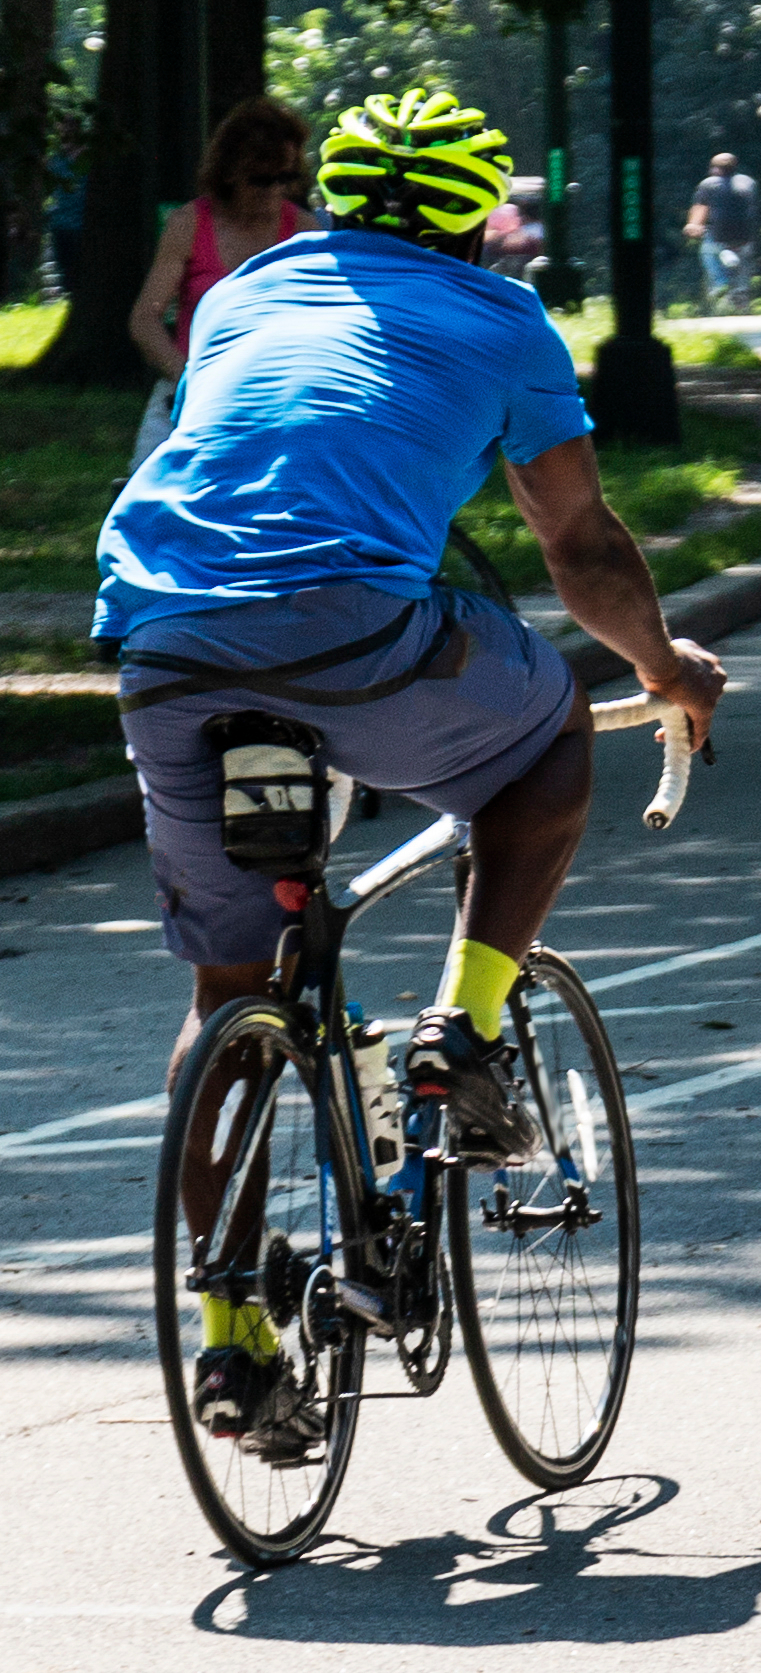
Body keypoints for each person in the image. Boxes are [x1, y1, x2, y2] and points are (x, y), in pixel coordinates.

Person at [98, 88, 725, 1456]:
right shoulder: (504, 320)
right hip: (348, 630)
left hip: (164, 642)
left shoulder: (243, 293)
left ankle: (233, 1333)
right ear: (477, 217)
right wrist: (664, 664)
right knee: (550, 728)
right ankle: (468, 1027)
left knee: (227, 995)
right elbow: (580, 545)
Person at [127, 96, 311, 463]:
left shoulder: (304, 231)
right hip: (187, 391)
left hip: (272, 397)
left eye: (286, 177)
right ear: (229, 172)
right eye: (261, 180)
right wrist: (187, 380)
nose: (276, 191)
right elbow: (145, 319)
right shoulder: (189, 225)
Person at [683, 151, 761, 311]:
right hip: (746, 235)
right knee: (745, 259)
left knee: (707, 251)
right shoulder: (749, 182)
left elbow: (700, 209)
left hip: (719, 234)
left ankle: (720, 284)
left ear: (716, 169)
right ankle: (741, 289)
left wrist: (693, 225)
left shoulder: (708, 184)